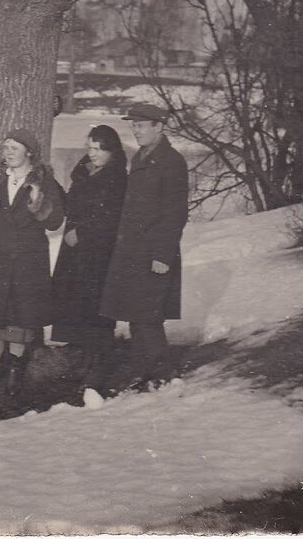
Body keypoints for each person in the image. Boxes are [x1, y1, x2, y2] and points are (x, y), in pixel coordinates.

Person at [99, 102, 189, 393]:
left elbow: (175, 213)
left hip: (153, 252)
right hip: (134, 251)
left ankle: (164, 375)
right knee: (138, 315)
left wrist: (162, 255)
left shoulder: (171, 161)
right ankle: (150, 374)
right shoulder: (141, 156)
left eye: (140, 125)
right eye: (133, 126)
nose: (135, 131)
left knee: (147, 316)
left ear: (158, 126)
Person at [0, 128, 65, 396]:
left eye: (14, 147)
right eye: (5, 148)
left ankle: (15, 368)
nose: (8, 153)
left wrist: (38, 203)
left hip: (28, 258)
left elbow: (55, 220)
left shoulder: (43, 181)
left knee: (18, 315)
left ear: (29, 152)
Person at [50, 125, 127, 395]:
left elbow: (111, 217)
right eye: (90, 148)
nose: (92, 153)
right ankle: (84, 365)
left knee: (97, 310)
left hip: (98, 254)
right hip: (77, 252)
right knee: (77, 307)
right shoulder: (84, 174)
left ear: (111, 150)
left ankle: (98, 371)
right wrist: (53, 186)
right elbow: (72, 205)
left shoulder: (117, 178)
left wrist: (80, 233)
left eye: (98, 148)